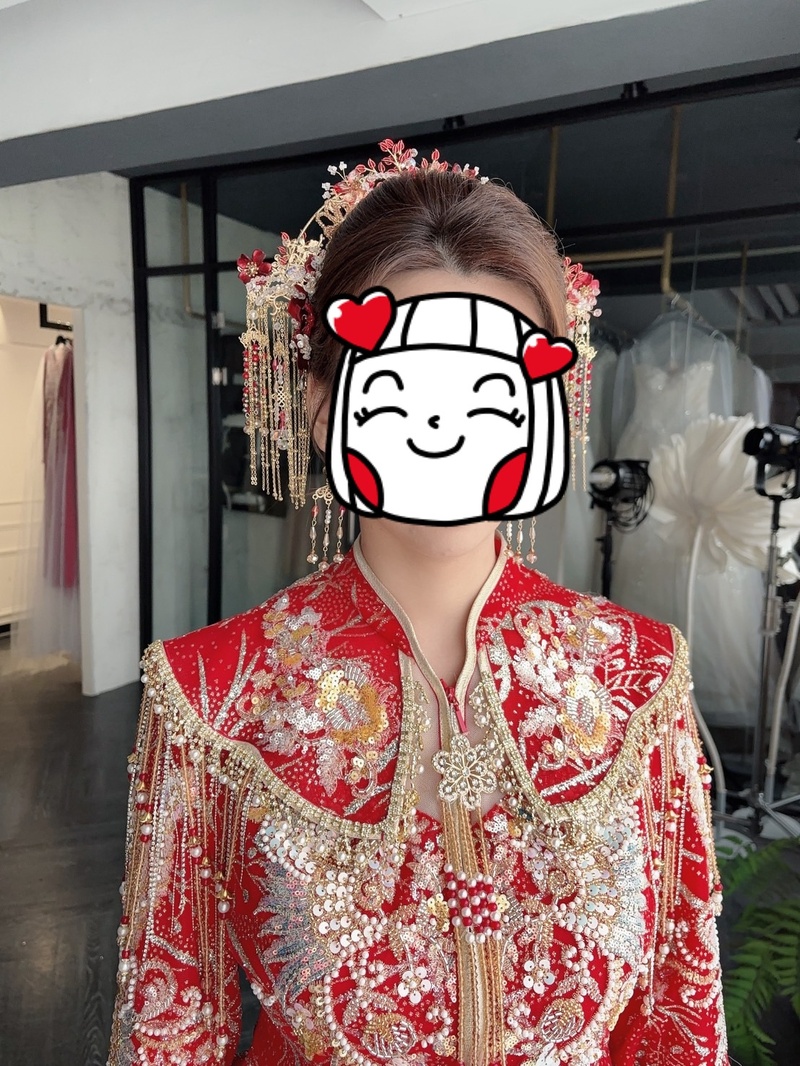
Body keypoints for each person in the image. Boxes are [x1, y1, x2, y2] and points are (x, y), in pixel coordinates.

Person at [107, 145, 728, 1066]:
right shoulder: (211, 699)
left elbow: (681, 1012)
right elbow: (170, 1030)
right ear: (322, 403)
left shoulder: (638, 680)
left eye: (495, 391)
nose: (448, 429)